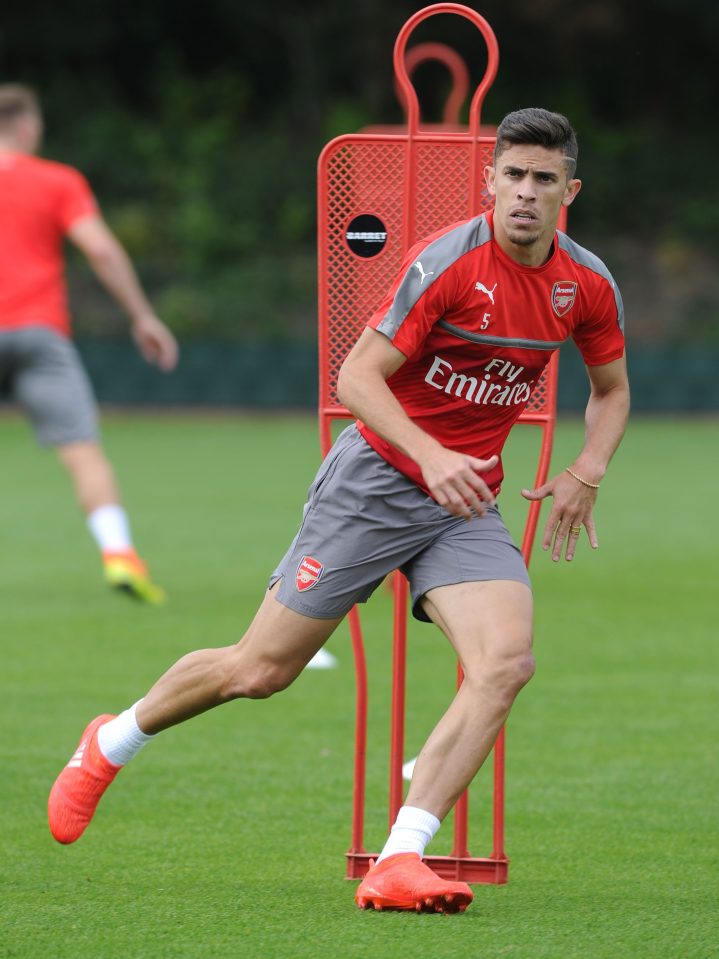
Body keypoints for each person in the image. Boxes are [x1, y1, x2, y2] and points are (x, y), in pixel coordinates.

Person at [47, 108, 629, 913]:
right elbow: (356, 378)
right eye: (513, 175)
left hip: (461, 503)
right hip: (378, 481)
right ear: (488, 180)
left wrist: (587, 467)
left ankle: (399, 858)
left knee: (504, 663)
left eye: (543, 179)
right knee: (260, 669)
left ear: (570, 190)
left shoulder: (586, 282)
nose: (526, 193)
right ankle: (111, 741)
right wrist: (430, 455)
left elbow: (610, 389)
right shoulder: (447, 264)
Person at [0, 84, 178, 604]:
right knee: (82, 451)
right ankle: (119, 554)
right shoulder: (57, 181)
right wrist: (142, 316)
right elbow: (99, 248)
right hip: (39, 333)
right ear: (30, 127)